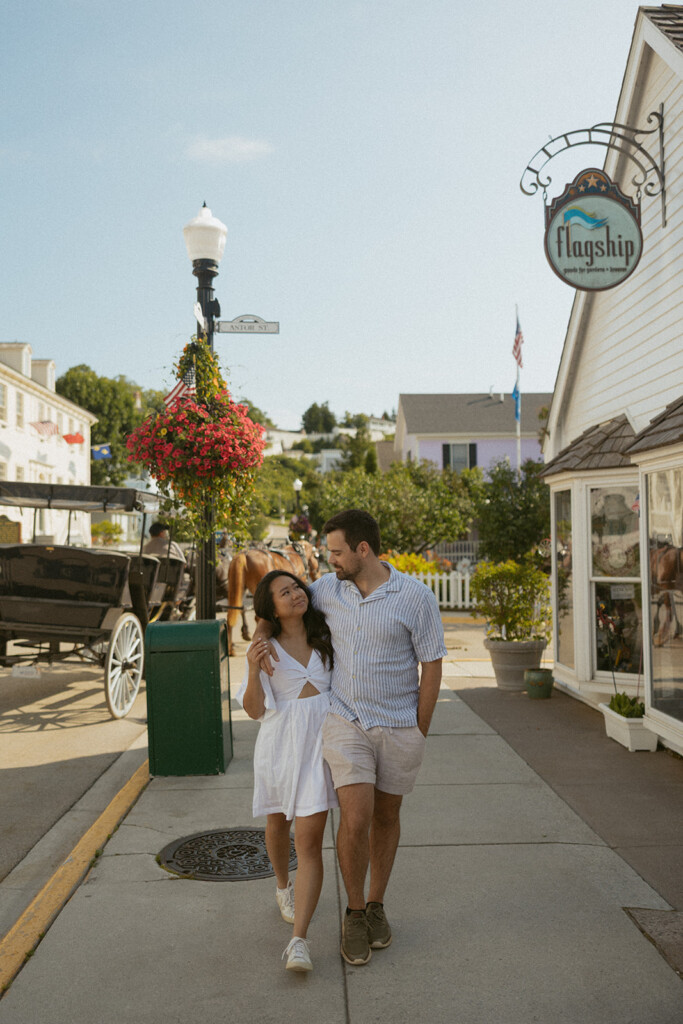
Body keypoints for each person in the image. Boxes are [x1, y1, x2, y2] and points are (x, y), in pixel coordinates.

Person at [256, 509, 447, 967]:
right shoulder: (326, 590)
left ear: (363, 550)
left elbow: (433, 664)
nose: (330, 560)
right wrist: (259, 636)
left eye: (337, 552)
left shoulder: (416, 597)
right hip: (345, 722)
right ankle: (355, 911)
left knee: (387, 816)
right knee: (356, 817)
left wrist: (420, 726)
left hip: (400, 724)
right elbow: (280, 605)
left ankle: (377, 904)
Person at [236, 570, 338, 973]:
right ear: (271, 606)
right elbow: (255, 710)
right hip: (280, 744)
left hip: (321, 745)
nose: (296, 594)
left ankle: (299, 941)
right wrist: (251, 667)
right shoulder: (266, 648)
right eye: (284, 592)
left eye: (296, 587)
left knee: (310, 842)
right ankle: (282, 886)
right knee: (278, 824)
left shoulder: (325, 634)